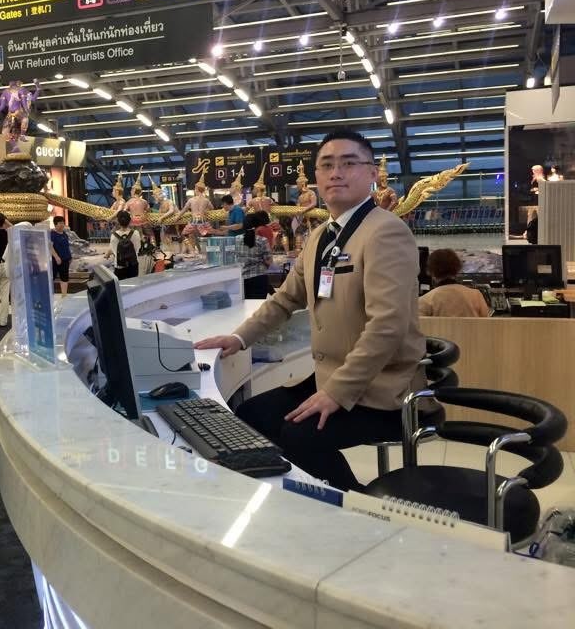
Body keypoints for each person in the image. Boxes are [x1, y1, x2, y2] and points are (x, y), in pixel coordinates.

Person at [195, 129, 426, 491]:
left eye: (349, 163)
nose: (336, 173)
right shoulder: (321, 237)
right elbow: (285, 299)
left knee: (299, 435)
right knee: (251, 414)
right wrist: (239, 338)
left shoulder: (386, 232)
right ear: (316, 176)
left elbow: (388, 325)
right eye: (327, 165)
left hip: (382, 390)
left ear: (372, 174)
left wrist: (336, 393)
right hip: (327, 376)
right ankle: (295, 494)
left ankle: (354, 507)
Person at [418, 249, 490, 318]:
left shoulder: (425, 300)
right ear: (457, 268)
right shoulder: (476, 295)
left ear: (431, 271)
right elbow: (487, 323)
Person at [239, 213, 273, 299]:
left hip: (241, 279)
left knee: (244, 305)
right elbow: (269, 261)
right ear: (257, 226)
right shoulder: (262, 240)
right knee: (257, 305)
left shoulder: (236, 239)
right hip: (259, 278)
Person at [109, 210, 141, 280]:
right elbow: (138, 248)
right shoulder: (136, 233)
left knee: (121, 285)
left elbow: (113, 250)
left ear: (118, 221)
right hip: (133, 265)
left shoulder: (113, 235)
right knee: (133, 284)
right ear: (130, 220)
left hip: (119, 266)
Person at [50, 215, 72, 297]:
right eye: (60, 223)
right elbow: (50, 247)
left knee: (64, 277)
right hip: (56, 260)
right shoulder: (52, 234)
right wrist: (56, 257)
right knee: (52, 277)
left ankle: (64, 295)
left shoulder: (65, 234)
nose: (62, 224)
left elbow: (67, 247)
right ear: (55, 224)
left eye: (63, 223)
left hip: (65, 260)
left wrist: (70, 257)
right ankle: (49, 295)